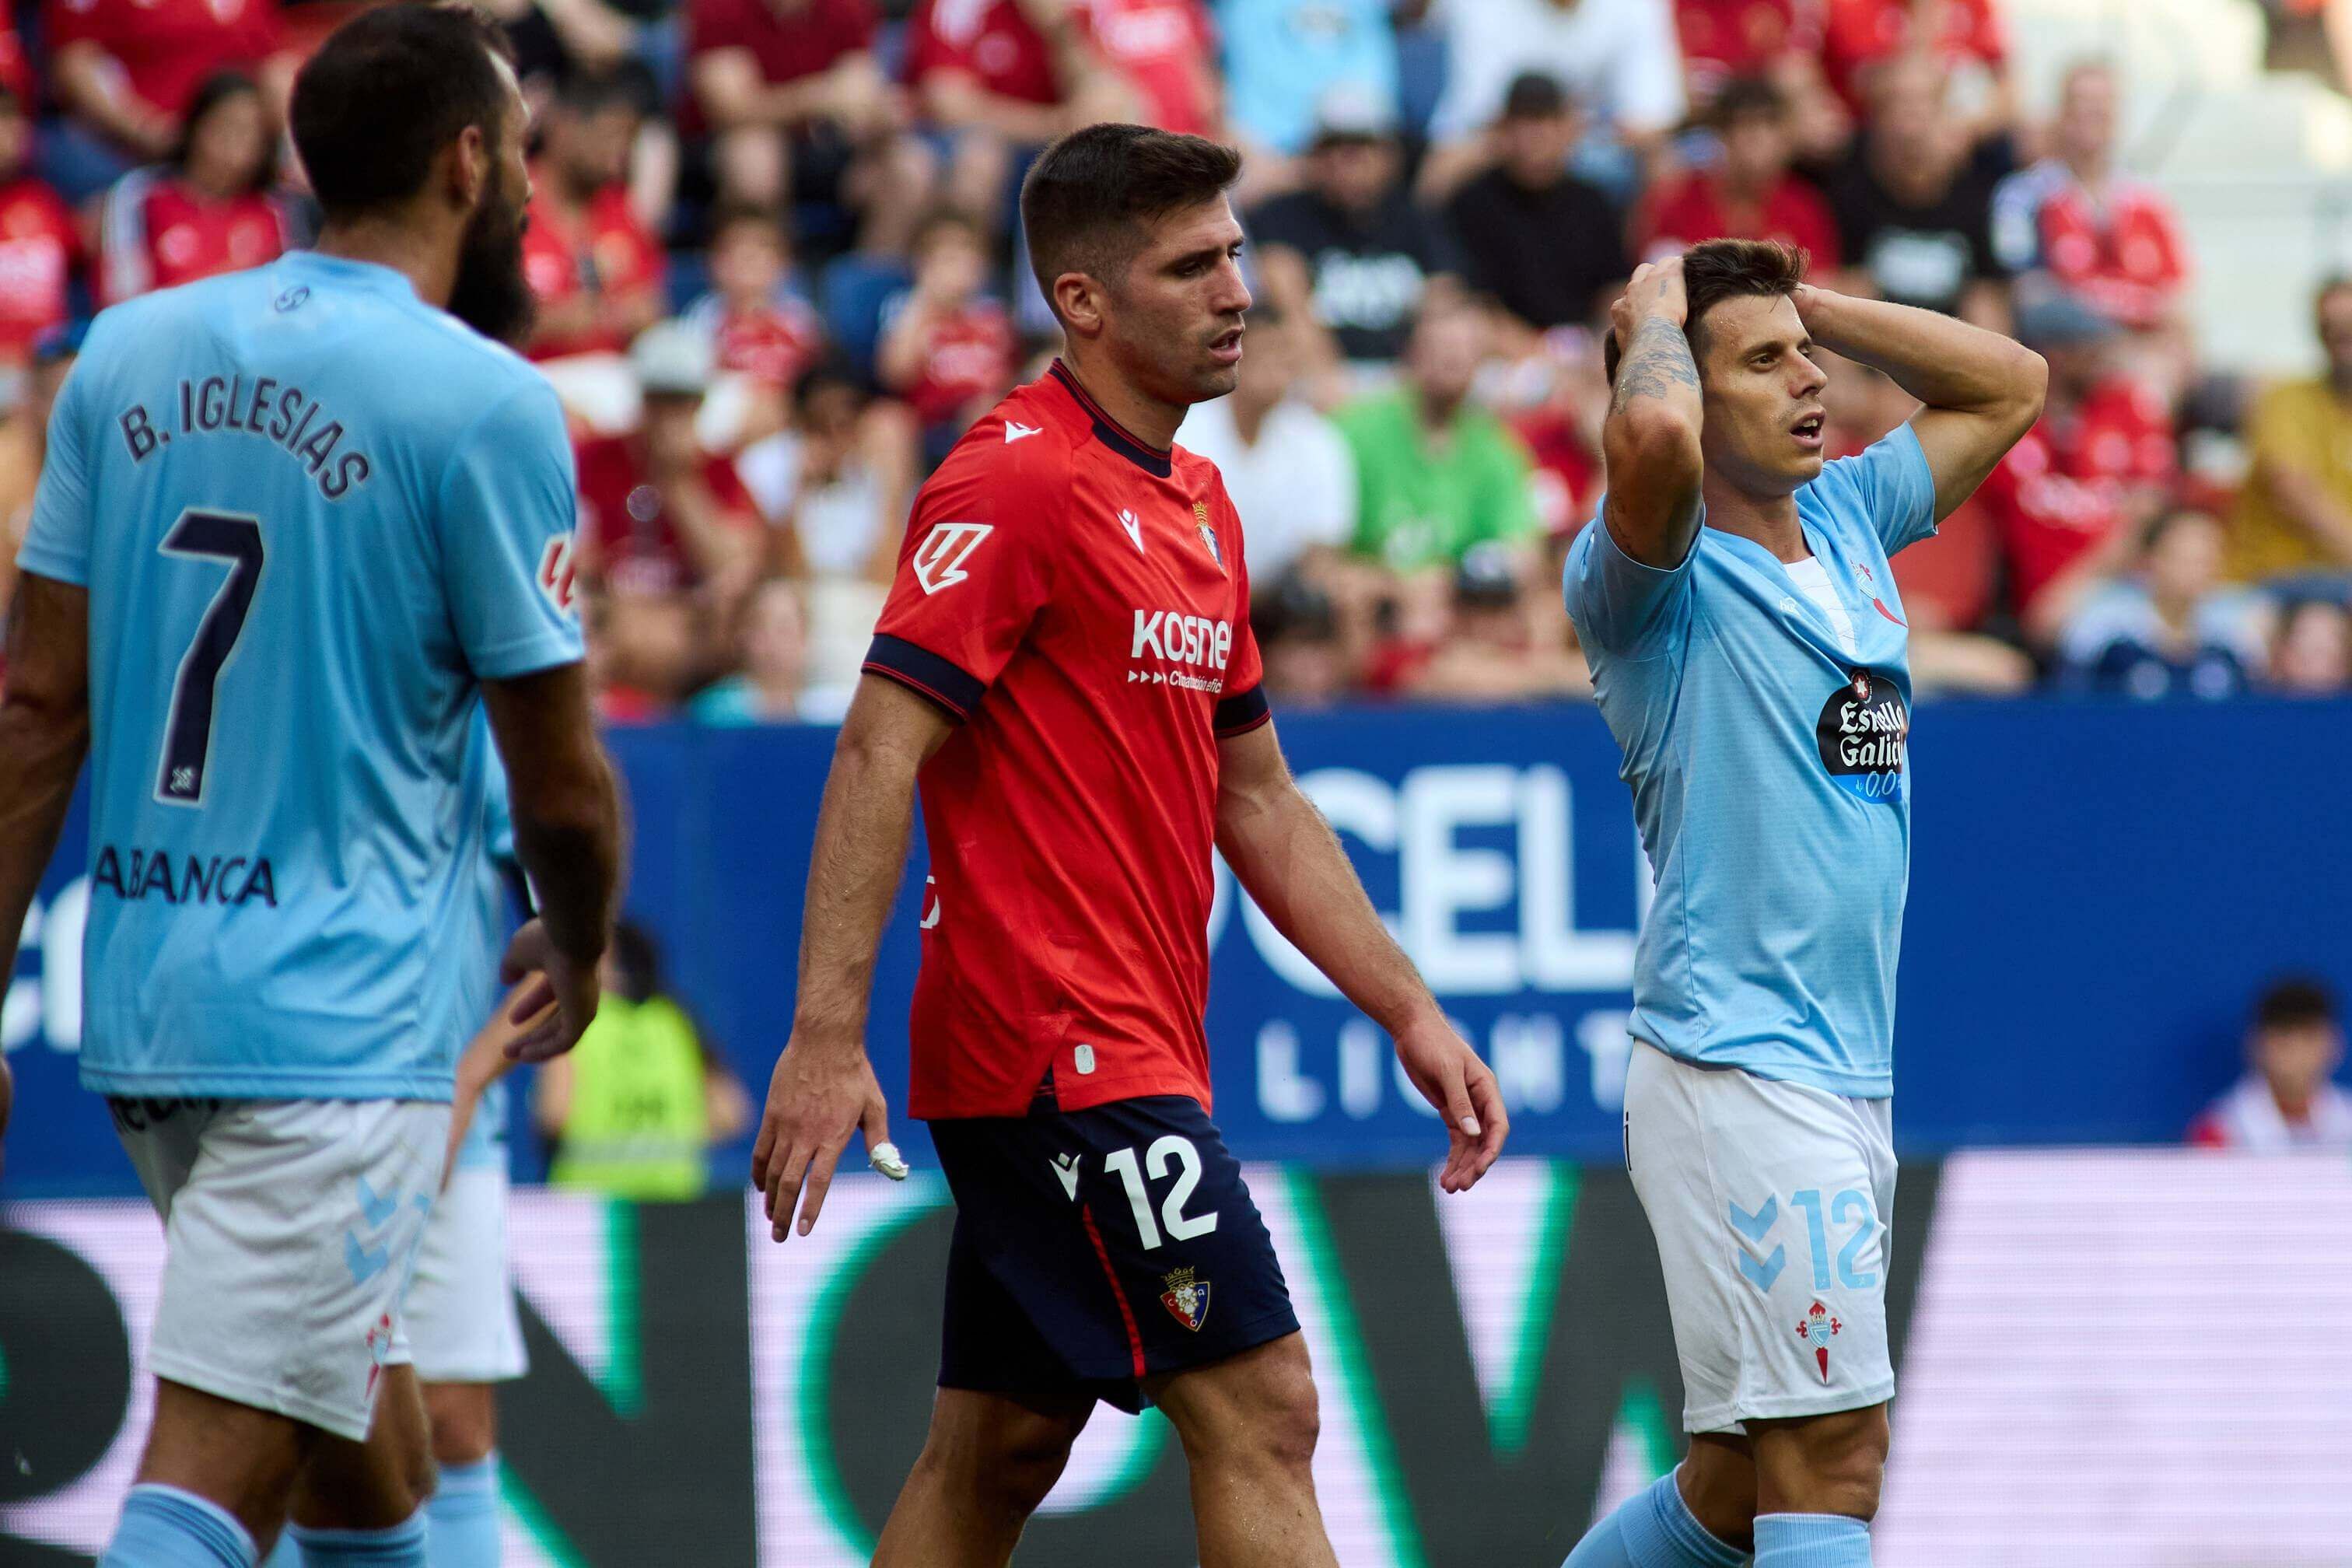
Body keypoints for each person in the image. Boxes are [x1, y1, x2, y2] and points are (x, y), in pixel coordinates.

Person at [751, 123, 1506, 1568]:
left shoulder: (1200, 503)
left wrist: (1407, 1008)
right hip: (1055, 1048)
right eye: (1191, 266)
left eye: (1235, 254)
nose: (1237, 291)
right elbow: (876, 747)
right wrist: (826, 1036)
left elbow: (1259, 799)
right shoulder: (1014, 480)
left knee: (998, 1448)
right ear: (1082, 301)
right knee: (1264, 1408)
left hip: (1116, 1042)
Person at [0, 10, 625, 1566]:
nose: (531, 187)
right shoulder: (484, 401)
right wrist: (578, 938)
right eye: (521, 155)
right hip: (341, 1025)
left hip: (149, 1005)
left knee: (366, 1460)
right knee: (215, 1473)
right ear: (468, 162)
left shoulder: (124, 353)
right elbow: (559, 778)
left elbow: (35, 707)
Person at [1561, 240, 2044, 1568]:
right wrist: (1657, 307)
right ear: (1685, 383)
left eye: (1805, 356)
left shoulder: (1844, 516)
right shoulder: (1643, 581)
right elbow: (1652, 435)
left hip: (1836, 1072)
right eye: (1764, 363)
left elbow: (2010, 382)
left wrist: (1801, 301)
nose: (1808, 379)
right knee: (1833, 1459)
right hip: (1739, 1066)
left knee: (1733, 1488)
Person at [1974, 292, 2175, 634]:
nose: (2103, 356)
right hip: (2039, 608)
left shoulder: (2127, 406)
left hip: (2118, 590)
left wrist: (2074, 590)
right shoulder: (2004, 422)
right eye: (2090, 347)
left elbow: (2147, 512)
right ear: (2056, 356)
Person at [1248, 86, 1465, 376]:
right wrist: (1329, 378)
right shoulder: (1281, 217)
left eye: (1361, 145)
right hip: (1316, 378)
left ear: (1390, 154)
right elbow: (1287, 306)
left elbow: (1444, 298)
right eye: (1332, 146)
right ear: (1312, 156)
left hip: (1409, 378)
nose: (1346, 159)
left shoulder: (1418, 218)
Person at [539, 919, 751, 1199]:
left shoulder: (574, 1021)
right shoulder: (676, 1021)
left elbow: (554, 1115)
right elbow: (732, 1113)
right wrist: (666, 1137)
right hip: (674, 1202)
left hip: (591, 1206)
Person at [1335, 297, 1541, 571]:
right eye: (1440, 348)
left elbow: (1521, 548)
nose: (1452, 361)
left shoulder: (1497, 447)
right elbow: (1322, 553)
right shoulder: (1354, 430)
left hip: (1459, 592)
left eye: (1465, 351)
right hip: (1373, 586)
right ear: (1411, 351)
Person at [1990, 60, 2190, 335]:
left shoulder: (2147, 202)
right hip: (2059, 353)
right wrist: (2121, 328)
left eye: (2103, 103)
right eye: (2082, 102)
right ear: (2062, 113)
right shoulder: (2022, 198)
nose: (2093, 112)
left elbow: (2176, 302)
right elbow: (2027, 296)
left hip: (2141, 353)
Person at [1421, 0, 1686, 201]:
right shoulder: (1479, 7)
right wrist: (1544, 135)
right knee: (1446, 166)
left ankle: (1654, 254)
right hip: (1506, 139)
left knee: (1661, 156)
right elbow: (1482, 118)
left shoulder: (1639, 6)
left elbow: (1652, 121)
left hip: (1595, 143)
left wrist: (1570, 133)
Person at [1172, 302, 1357, 583]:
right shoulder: (1184, 432)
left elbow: (1325, 549)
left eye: (1285, 354)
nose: (1276, 365)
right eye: (1266, 350)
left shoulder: (1318, 440)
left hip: (1287, 600)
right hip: (1196, 589)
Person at [1824, 53, 2011, 326]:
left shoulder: (1975, 189)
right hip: (1872, 338)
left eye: (1924, 102)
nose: (1912, 116)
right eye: (1898, 102)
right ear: (1876, 116)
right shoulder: (1847, 186)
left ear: (1945, 113)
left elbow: (1986, 295)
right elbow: (1841, 291)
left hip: (1951, 340)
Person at [1445, 72, 1629, 334]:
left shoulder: (1593, 202)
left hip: (1584, 343)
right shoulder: (1472, 202)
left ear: (1568, 129)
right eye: (1523, 122)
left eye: (1545, 120)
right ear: (1503, 130)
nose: (1535, 136)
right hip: (1500, 346)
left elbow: (1614, 287)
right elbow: (1473, 299)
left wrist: (1598, 343)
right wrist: (1533, 349)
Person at [98, 72, 291, 306]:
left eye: (252, 133)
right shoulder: (140, 195)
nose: (235, 142)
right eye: (226, 126)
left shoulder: (276, 211)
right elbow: (121, 299)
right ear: (196, 125)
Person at [520, 69, 667, 365]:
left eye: (627, 141)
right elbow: (476, 323)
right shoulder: (512, 204)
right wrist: (552, 322)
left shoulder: (621, 209)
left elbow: (653, 304)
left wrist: (640, 316)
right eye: (610, 136)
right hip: (533, 376)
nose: (619, 155)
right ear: (564, 127)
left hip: (613, 378)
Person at [2046, 506, 2265, 699]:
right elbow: (2073, 694)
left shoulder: (2235, 630)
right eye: (2185, 557)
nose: (2197, 570)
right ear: (2151, 560)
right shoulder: (2103, 625)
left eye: (2206, 559)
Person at [1634, 75, 1841, 270]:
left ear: (1786, 139)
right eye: (1746, 125)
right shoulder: (1678, 203)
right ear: (1722, 135)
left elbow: (1821, 281)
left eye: (1769, 125)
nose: (1757, 139)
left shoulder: (1803, 208)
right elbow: (1657, 278)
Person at [2228, 275, 2352, 580]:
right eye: (2332, 328)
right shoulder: (2286, 400)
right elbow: (2293, 490)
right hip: (2282, 575)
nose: (2343, 340)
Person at [876, 208, 1019, 465]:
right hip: (925, 416)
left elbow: (1009, 377)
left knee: (986, 411)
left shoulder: (992, 314)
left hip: (981, 409)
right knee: (887, 423)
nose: (956, 267)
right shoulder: (907, 307)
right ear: (924, 266)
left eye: (966, 255)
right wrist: (927, 301)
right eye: (946, 258)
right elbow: (894, 373)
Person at [2189, 978, 2352, 1151]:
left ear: (2336, 1043)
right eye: (2283, 1036)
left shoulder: (2347, 1117)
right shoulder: (2221, 1127)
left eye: (2308, 1037)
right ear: (2254, 1043)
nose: (2295, 1049)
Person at [0, 87, 82, 366]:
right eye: (3, 118)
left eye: (16, 117)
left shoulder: (44, 201)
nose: (14, 129)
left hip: (51, 364)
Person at [2268, 593, 2352, 692]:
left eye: (2332, 638)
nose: (2318, 648)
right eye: (2304, 638)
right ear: (2282, 651)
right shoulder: (2259, 696)